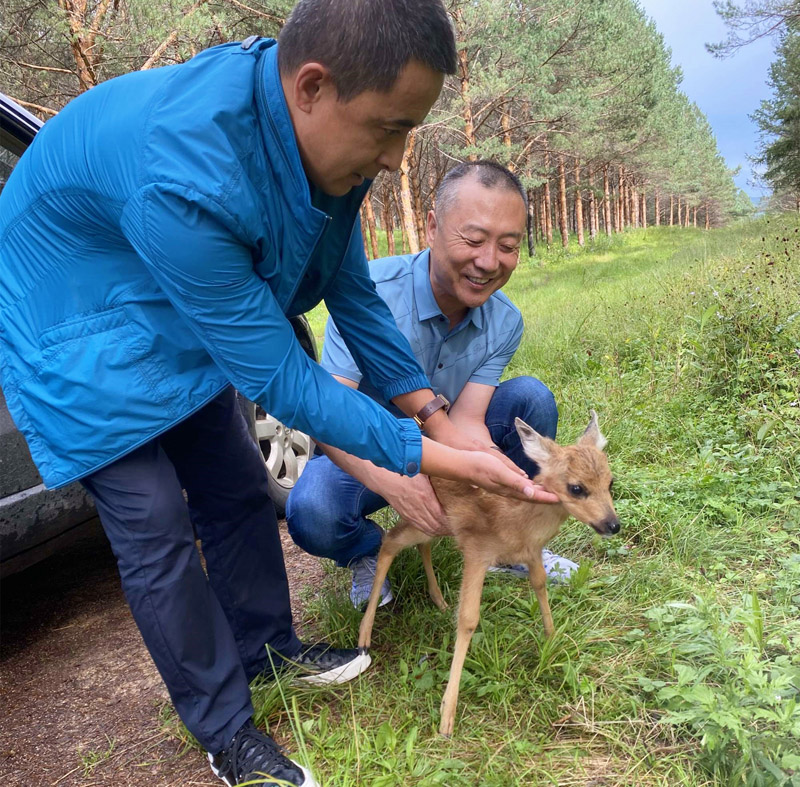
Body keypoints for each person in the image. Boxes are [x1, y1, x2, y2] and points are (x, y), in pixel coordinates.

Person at [0, 3, 549, 786]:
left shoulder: (323, 148)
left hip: (161, 292)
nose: (396, 159)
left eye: (408, 132)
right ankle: (227, 732)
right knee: (154, 521)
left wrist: (430, 412)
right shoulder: (186, 171)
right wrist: (421, 454)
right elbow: (283, 378)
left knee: (233, 486)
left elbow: (352, 296)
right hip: (70, 318)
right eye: (389, 130)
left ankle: (266, 650)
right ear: (313, 87)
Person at [287, 161, 579, 609]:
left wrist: (492, 471)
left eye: (508, 246)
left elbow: (467, 420)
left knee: (531, 399)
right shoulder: (368, 294)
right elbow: (330, 415)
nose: (488, 262)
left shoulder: (505, 321)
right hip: (367, 446)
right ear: (431, 225)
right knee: (313, 512)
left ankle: (509, 543)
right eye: (474, 239)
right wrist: (394, 482)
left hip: (444, 435)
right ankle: (365, 551)